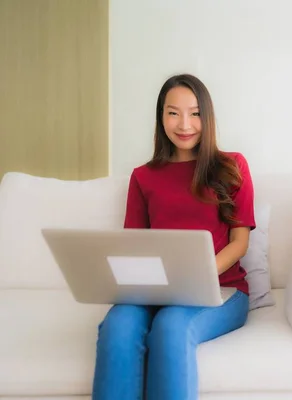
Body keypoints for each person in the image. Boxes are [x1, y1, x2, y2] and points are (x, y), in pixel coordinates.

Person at [92, 74, 255, 399]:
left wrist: (195, 276)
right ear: (160, 116)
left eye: (195, 113)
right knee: (117, 327)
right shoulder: (143, 177)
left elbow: (239, 243)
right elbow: (134, 248)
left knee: (170, 328)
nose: (185, 124)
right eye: (173, 112)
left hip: (221, 290)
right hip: (155, 291)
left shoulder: (232, 166)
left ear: (207, 117)